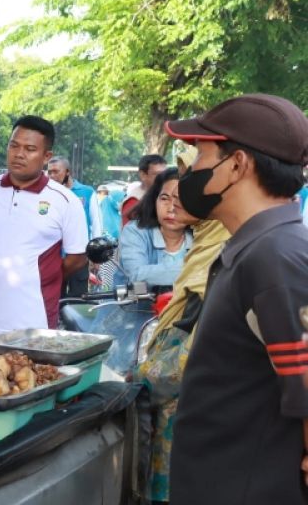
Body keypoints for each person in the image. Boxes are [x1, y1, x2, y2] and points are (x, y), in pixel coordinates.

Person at [162, 94, 308, 504]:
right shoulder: (257, 249)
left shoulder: (276, 258)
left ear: (238, 165)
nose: (189, 170)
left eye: (200, 154)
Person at [133, 146, 230, 504]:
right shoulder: (206, 243)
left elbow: (189, 358)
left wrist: (139, 380)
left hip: (190, 419)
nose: (180, 196)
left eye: (192, 180)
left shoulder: (226, 250)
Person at [0, 116, 88, 342]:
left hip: (34, 322)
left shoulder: (65, 200)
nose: (19, 154)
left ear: (46, 156)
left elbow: (77, 258)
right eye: (14, 145)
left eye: (30, 149)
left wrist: (41, 275)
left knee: (30, 377)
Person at [113, 168, 193, 291]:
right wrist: (196, 268)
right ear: (154, 200)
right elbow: (137, 275)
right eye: (164, 198)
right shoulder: (135, 231)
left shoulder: (202, 236)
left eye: (181, 200)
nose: (171, 208)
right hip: (136, 310)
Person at [47, 156, 101, 297]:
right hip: (55, 258)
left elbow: (95, 224)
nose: (52, 176)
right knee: (55, 298)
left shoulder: (87, 192)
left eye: (56, 172)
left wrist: (97, 256)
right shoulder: (48, 194)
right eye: (49, 172)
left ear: (67, 172)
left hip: (79, 257)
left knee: (78, 298)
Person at [122, 154, 168, 226]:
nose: (163, 178)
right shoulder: (134, 201)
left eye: (166, 174)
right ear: (143, 175)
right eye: (158, 175)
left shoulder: (162, 196)